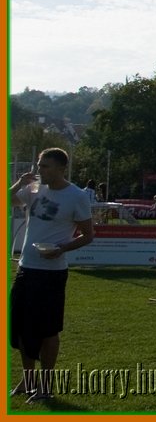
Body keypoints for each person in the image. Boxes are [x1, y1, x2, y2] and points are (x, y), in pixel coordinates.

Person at [9, 148, 95, 403]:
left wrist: (61, 248)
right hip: (26, 267)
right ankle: (28, 380)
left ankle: (45, 386)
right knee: (21, 328)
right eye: (39, 165)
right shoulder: (34, 189)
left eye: (45, 166)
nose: (39, 170)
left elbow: (88, 235)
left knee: (47, 330)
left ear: (61, 168)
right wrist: (18, 183)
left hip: (52, 273)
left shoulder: (76, 196)